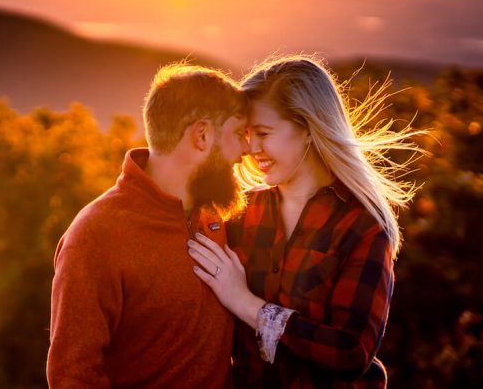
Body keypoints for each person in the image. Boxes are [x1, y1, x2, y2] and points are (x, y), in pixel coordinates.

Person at [188, 56, 419, 387]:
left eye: (264, 133)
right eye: (248, 133)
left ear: (309, 129)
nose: (251, 148)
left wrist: (246, 303)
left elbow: (350, 352)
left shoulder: (362, 225)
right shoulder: (241, 211)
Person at [47, 63, 248, 388]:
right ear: (202, 135)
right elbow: (73, 377)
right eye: (239, 135)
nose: (246, 150)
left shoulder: (216, 216)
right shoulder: (96, 235)